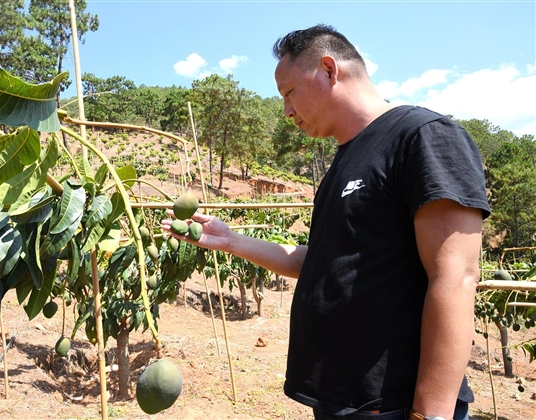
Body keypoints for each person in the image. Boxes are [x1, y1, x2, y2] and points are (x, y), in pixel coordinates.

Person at [163, 24, 490, 420]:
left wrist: (431, 415)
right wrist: (231, 241)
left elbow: (455, 278)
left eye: (288, 93)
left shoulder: (422, 137)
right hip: (342, 402)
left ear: (329, 70)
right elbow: (319, 261)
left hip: (394, 406)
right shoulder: (344, 160)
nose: (285, 111)